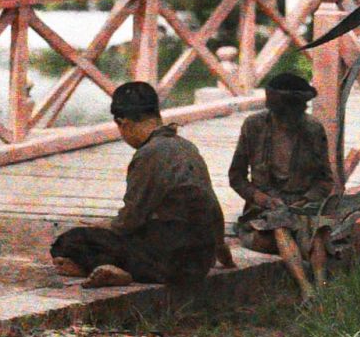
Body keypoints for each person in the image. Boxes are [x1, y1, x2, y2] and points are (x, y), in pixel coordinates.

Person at [50, 82, 229, 289]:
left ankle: (111, 270)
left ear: (123, 123)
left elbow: (129, 221)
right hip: (200, 262)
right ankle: (113, 269)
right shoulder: (187, 147)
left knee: (69, 242)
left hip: (167, 264)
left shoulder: (148, 154)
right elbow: (212, 205)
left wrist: (102, 226)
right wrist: (220, 245)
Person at [229, 70, 344, 285]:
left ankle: (321, 286)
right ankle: (306, 288)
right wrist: (261, 198)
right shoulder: (253, 127)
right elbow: (236, 177)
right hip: (263, 214)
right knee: (279, 224)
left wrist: (307, 199)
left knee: (317, 230)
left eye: (296, 112)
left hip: (301, 210)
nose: (289, 120)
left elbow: (325, 180)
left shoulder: (313, 129)